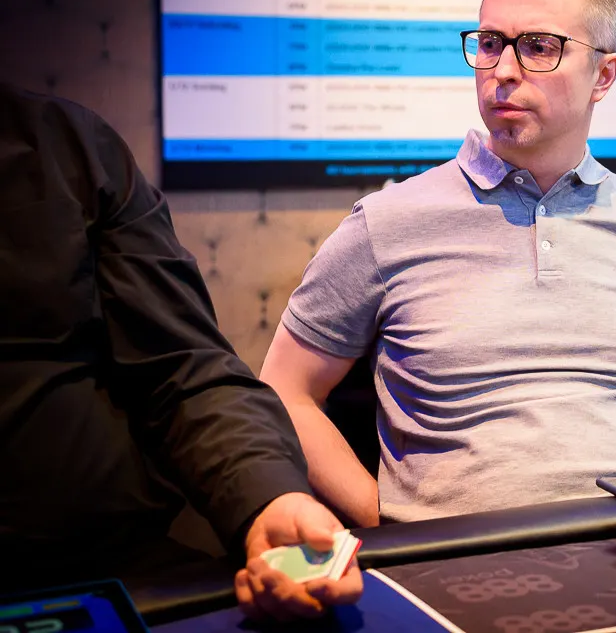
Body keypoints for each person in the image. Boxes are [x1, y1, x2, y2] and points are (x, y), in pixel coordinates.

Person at [260, 0, 616, 526]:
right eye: (490, 43)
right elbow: (285, 390)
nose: (502, 70)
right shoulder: (386, 223)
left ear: (603, 75)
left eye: (538, 47)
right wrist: (377, 521)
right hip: (453, 559)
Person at [0, 84, 361, 619]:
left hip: (111, 564)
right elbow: (293, 387)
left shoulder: (68, 143)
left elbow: (187, 371)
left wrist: (268, 499)